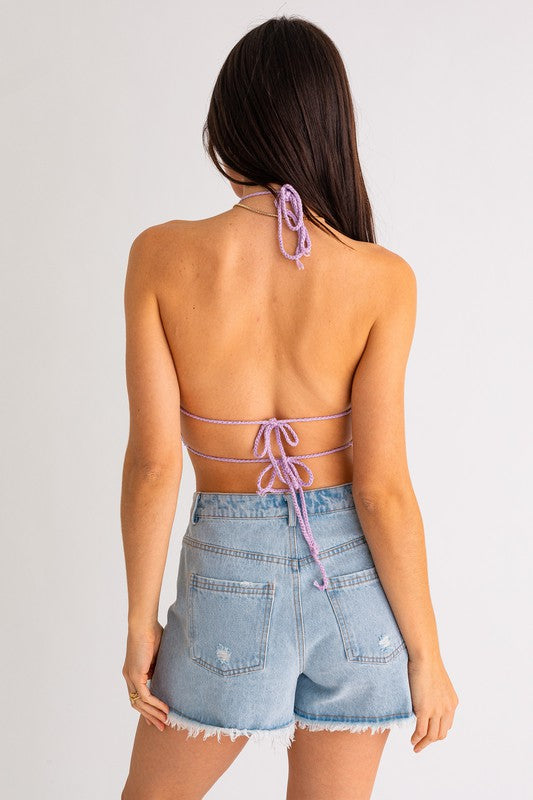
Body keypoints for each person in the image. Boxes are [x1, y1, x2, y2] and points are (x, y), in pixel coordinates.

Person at [120, 15, 458, 800]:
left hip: (226, 578)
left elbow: (153, 466)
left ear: (226, 128)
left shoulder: (160, 257)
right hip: (357, 588)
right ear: (328, 128)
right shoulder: (382, 278)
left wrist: (140, 624)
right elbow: (381, 489)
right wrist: (426, 654)